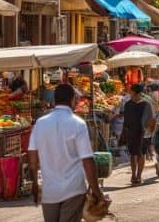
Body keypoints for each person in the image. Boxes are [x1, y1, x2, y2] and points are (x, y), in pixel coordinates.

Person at [28, 84, 104, 222]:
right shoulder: (78, 124)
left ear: (55, 100)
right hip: (73, 189)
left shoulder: (40, 123)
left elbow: (32, 158)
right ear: (72, 99)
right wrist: (96, 190)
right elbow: (87, 160)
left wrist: (34, 183)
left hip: (50, 192)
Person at [123, 83, 154, 185]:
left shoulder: (146, 104)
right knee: (133, 154)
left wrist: (149, 132)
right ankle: (133, 175)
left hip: (143, 133)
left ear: (135, 92)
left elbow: (151, 120)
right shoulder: (127, 104)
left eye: (131, 90)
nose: (129, 92)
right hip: (132, 132)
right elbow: (126, 120)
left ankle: (139, 175)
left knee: (141, 154)